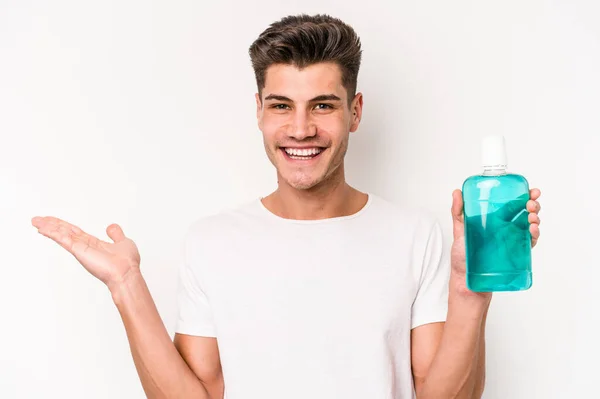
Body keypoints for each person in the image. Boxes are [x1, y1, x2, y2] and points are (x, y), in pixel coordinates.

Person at [31, 13, 542, 399]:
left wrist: (470, 291)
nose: (300, 129)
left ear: (355, 111)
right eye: (281, 106)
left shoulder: (417, 235)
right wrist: (126, 286)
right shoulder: (213, 241)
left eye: (323, 105)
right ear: (258, 111)